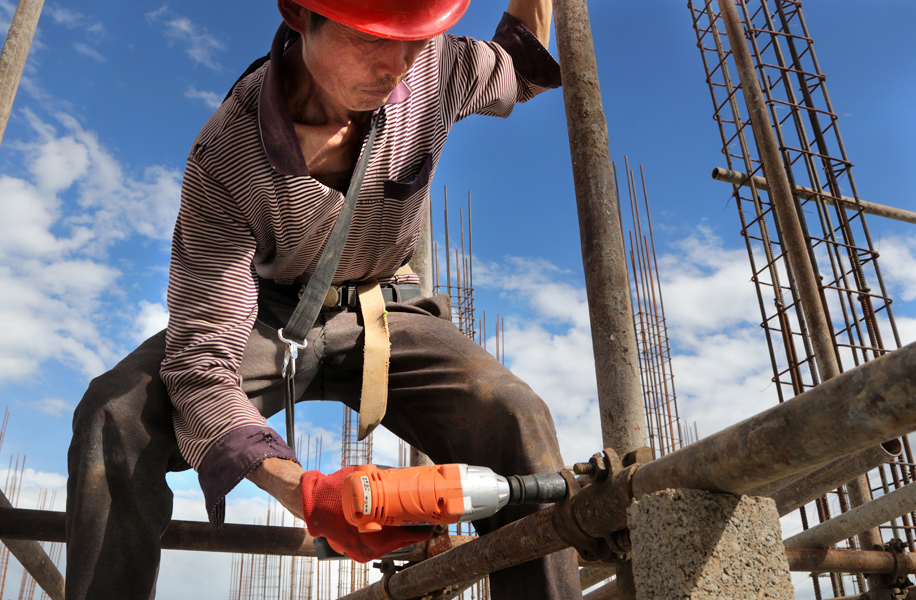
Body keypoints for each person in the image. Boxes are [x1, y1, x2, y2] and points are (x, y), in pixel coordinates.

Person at [65, 0, 583, 598]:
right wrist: (306, 493)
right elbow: (202, 366)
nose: (396, 65)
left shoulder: (434, 70)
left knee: (515, 417)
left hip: (388, 308)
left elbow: (521, 65)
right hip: (271, 314)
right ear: (300, 16)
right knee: (116, 414)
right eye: (370, 37)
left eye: (414, 40)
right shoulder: (227, 157)